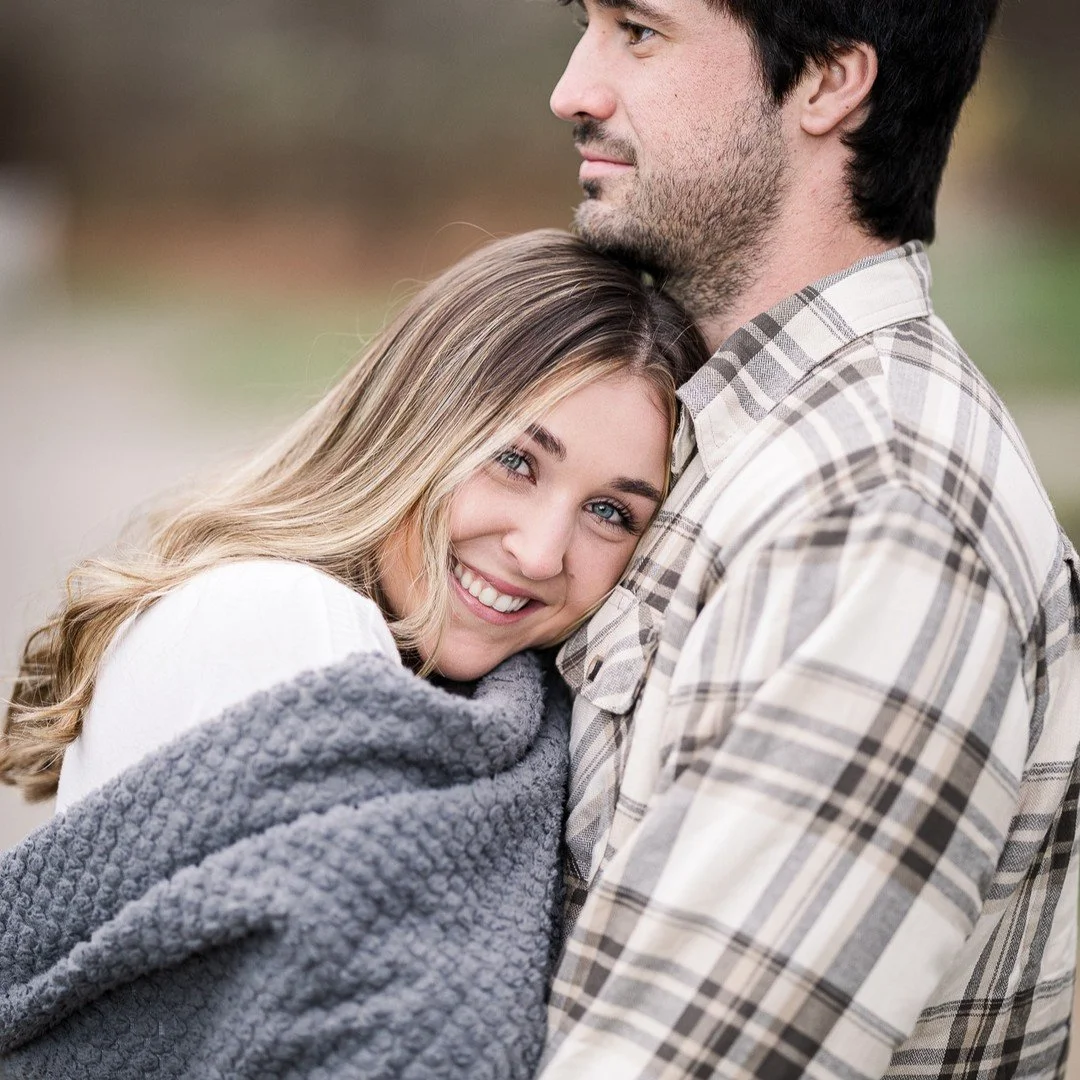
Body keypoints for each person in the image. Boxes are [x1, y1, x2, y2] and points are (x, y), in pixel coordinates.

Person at [0, 228, 707, 1079]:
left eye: (611, 513)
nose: (541, 551)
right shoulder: (282, 620)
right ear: (411, 424)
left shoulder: (453, 687)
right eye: (515, 460)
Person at [538, 2, 1080, 1078]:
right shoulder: (724, 435)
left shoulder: (883, 512)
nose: (573, 90)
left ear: (830, 83)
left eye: (638, 31)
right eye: (586, 23)